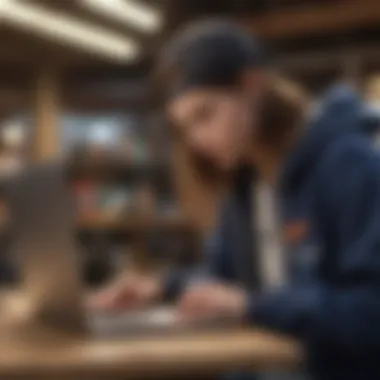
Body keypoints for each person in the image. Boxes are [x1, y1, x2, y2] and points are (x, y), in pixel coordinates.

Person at [89, 20, 380, 380]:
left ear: (252, 86)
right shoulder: (246, 184)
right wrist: (162, 287)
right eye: (185, 127)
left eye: (205, 114)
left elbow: (371, 314)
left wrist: (251, 305)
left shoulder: (349, 165)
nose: (196, 139)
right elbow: (225, 279)